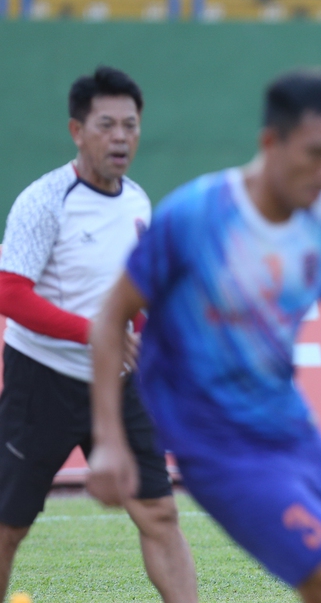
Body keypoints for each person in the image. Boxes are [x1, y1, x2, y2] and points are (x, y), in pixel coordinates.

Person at [86, 67, 321, 603]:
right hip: (220, 448)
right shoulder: (196, 215)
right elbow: (110, 317)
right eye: (316, 154)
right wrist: (109, 442)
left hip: (295, 434)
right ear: (271, 142)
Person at [0, 67, 198, 601]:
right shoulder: (44, 200)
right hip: (42, 380)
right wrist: (96, 333)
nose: (120, 137)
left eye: (130, 125)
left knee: (159, 512)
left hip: (119, 379)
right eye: (106, 125)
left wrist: (149, 335)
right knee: (8, 525)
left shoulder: (137, 201)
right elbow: (10, 294)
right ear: (77, 131)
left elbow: (136, 291)